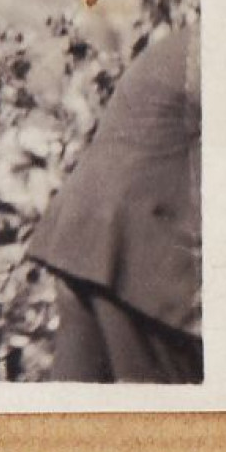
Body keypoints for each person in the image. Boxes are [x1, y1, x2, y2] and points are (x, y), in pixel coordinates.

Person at [28, 25, 202, 383]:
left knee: (75, 396)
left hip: (82, 237)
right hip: (132, 250)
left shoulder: (187, 44)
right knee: (159, 406)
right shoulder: (219, 51)